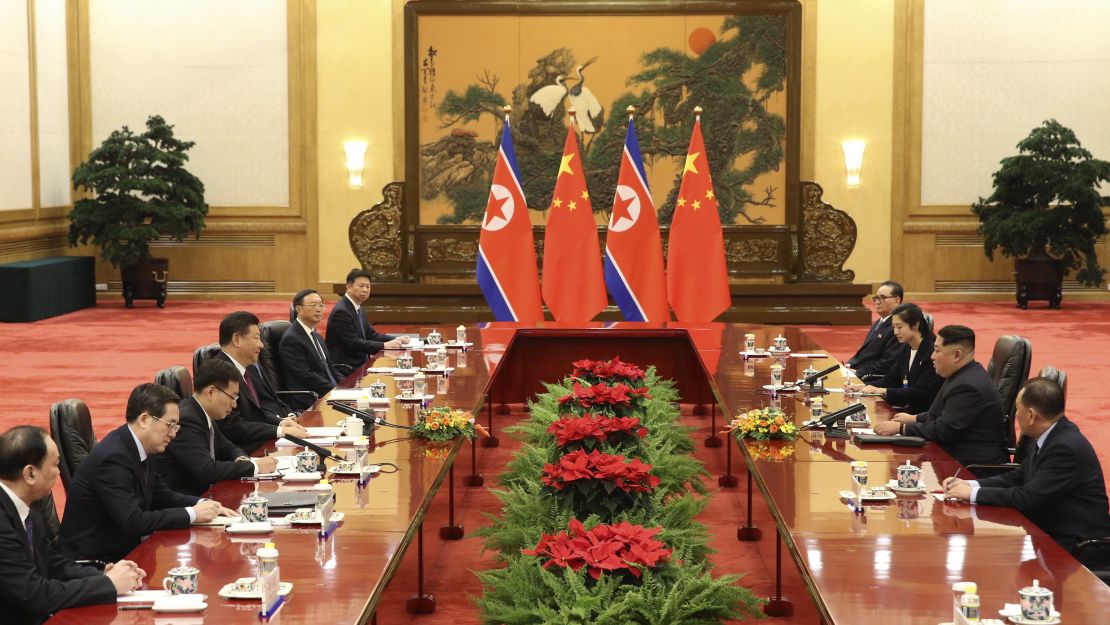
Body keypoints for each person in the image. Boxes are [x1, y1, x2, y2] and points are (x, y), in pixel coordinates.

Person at [943, 378, 1110, 569]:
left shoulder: (1064, 447)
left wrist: (973, 495)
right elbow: (1018, 476)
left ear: (1030, 415)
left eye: (1017, 409)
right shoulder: (1052, 435)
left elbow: (1029, 497)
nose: (1015, 414)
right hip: (1051, 535)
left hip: (1078, 547)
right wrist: (970, 485)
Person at [60, 384, 237, 562]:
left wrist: (205, 504)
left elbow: (162, 495)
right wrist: (192, 513)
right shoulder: (114, 457)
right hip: (95, 563)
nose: (174, 434)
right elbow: (133, 521)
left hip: (124, 552)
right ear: (144, 420)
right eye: (170, 425)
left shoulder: (141, 446)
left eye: (176, 427)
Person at [0, 426, 146, 625]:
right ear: (30, 474)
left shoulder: (27, 507)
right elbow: (34, 595)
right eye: (54, 464)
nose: (58, 471)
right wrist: (108, 584)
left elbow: (50, 562)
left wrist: (101, 574)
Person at [874, 325, 1009, 472]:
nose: (931, 356)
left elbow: (944, 430)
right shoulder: (963, 374)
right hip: (952, 457)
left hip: (970, 468)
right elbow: (945, 415)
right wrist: (914, 418)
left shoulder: (968, 386)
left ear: (957, 355)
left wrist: (901, 428)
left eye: (937, 350)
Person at [154, 360, 279, 496]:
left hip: (206, 496)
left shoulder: (202, 413)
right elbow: (207, 470)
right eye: (233, 397)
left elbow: (229, 447)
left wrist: (241, 459)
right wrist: (254, 466)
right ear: (211, 392)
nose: (234, 405)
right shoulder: (186, 419)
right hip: (185, 502)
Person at [213, 311, 308, 452]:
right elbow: (232, 426)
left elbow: (255, 413)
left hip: (258, 442)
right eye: (257, 338)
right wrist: (279, 431)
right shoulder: (219, 372)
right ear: (236, 339)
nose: (261, 345)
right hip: (242, 452)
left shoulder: (244, 368)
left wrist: (281, 422)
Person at [845, 303, 942, 414]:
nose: (895, 332)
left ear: (915, 325)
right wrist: (863, 386)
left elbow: (919, 391)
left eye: (899, 327)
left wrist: (881, 391)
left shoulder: (932, 352)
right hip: (905, 409)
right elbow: (891, 379)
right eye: (893, 327)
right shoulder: (906, 347)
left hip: (923, 414)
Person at [325, 269, 409, 370]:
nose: (365, 290)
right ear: (348, 287)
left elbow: (371, 335)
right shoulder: (342, 312)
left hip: (359, 364)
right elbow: (353, 342)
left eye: (368, 286)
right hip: (346, 367)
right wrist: (384, 345)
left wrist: (395, 339)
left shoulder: (357, 307)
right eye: (361, 286)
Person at [280, 289, 344, 410]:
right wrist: (336, 390)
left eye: (321, 305)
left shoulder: (316, 336)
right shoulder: (291, 339)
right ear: (298, 309)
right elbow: (306, 375)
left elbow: (329, 368)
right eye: (313, 305)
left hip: (327, 392)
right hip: (310, 398)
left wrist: (347, 385)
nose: (319, 309)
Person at [847, 281, 904, 380]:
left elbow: (887, 362)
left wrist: (858, 373)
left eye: (883, 298)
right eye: (876, 298)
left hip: (871, 378)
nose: (877, 302)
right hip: (857, 371)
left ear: (897, 300)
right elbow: (865, 353)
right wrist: (849, 364)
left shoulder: (898, 327)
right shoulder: (879, 322)